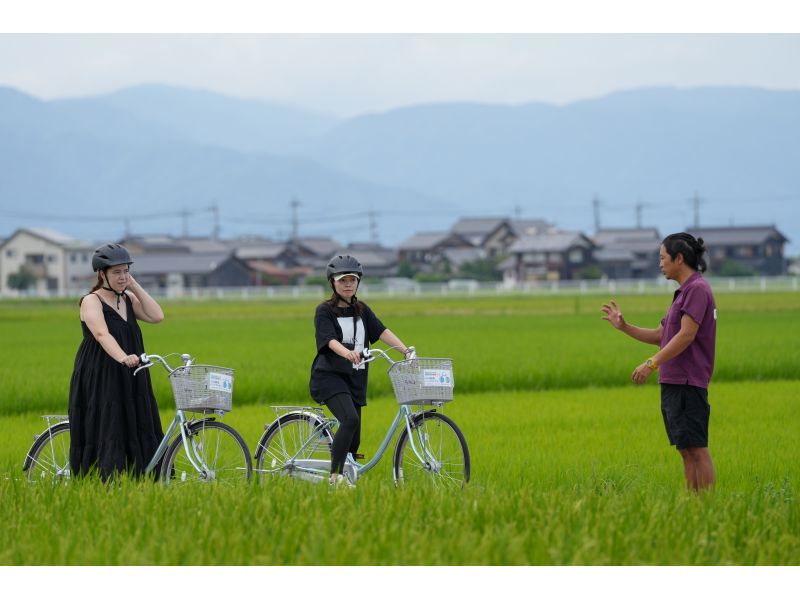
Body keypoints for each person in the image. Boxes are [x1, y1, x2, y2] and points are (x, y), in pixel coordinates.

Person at [601, 233, 717, 492]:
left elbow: (686, 335)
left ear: (679, 258)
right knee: (685, 450)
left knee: (697, 448)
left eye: (663, 258)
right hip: (674, 381)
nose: (660, 263)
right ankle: (693, 505)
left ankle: (706, 505)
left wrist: (651, 364)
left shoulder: (697, 289)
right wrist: (624, 326)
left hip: (688, 379)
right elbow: (660, 336)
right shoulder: (682, 293)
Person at [309, 255, 412, 487]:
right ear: (333, 283)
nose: (348, 284)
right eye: (342, 280)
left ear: (358, 283)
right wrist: (346, 353)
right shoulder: (324, 310)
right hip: (329, 377)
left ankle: (348, 476)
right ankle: (335, 477)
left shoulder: (362, 309)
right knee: (350, 419)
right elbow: (328, 340)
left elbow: (382, 331)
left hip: (355, 378)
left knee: (354, 439)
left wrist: (405, 351)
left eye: (352, 280)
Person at [68, 243, 165, 480]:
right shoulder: (91, 301)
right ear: (102, 274)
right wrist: (123, 357)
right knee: (108, 423)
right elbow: (102, 334)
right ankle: (104, 480)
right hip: (102, 371)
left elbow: (157, 316)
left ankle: (140, 477)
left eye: (125, 271)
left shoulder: (128, 299)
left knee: (136, 419)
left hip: (131, 370)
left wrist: (134, 285)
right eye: (116, 272)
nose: (122, 277)